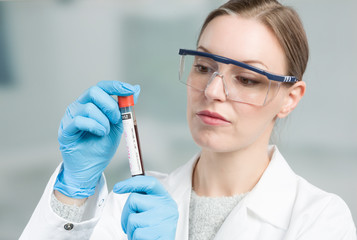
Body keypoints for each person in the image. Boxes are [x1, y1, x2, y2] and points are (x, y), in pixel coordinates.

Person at [21, 0, 356, 239]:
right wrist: (72, 194)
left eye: (247, 79)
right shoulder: (132, 202)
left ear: (290, 98)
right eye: (203, 67)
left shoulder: (319, 219)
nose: (212, 91)